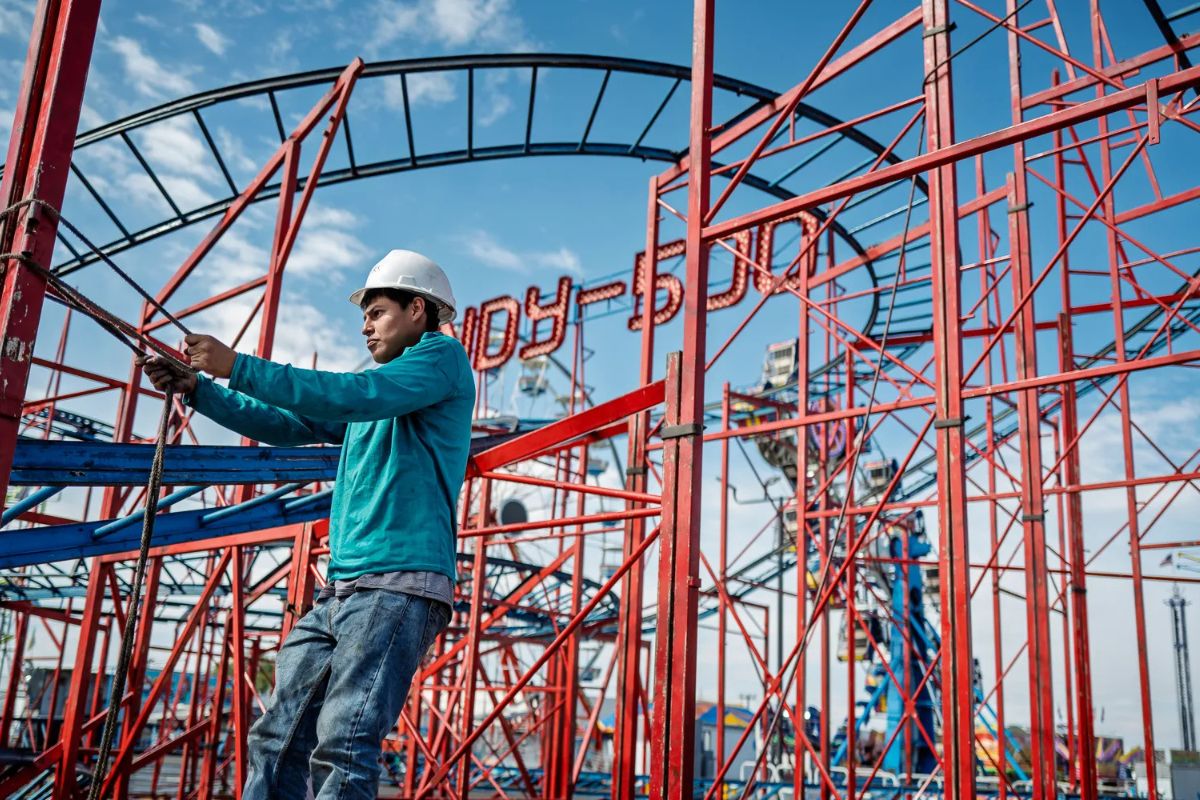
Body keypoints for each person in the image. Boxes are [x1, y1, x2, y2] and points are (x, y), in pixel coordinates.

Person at [139, 249, 475, 799]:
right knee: (276, 737)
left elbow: (351, 393)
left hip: (398, 582)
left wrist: (237, 366)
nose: (365, 326)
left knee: (343, 742)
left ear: (418, 309)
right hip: (342, 589)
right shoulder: (382, 389)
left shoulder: (440, 360)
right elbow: (287, 421)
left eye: (377, 312)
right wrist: (201, 390)